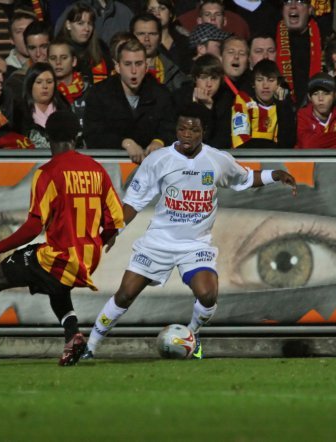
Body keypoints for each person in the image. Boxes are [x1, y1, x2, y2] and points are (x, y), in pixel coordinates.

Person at [80, 103, 296, 361]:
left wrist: (276, 175)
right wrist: (115, 228)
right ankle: (90, 346)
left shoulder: (217, 160)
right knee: (125, 294)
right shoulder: (159, 160)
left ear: (203, 130)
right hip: (158, 241)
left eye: (193, 129)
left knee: (207, 295)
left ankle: (191, 336)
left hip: (195, 245)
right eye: (181, 128)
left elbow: (245, 179)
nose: (186, 134)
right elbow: (134, 201)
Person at [0, 110, 124, 368]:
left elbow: (34, 226)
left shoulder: (48, 173)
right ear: (76, 137)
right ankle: (73, 335)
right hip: (88, 257)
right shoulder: (96, 170)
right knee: (55, 281)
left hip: (60, 255)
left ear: (48, 136)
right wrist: (101, 240)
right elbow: (115, 219)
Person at [83, 39, 176, 163]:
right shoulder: (99, 94)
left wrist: (159, 141)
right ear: (117, 66)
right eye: (127, 64)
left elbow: (170, 129)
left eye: (138, 64)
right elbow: (93, 135)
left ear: (146, 66)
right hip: (110, 167)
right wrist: (125, 143)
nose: (133, 71)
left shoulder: (161, 94)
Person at [231, 59, 296, 149]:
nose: (265, 86)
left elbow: (287, 143)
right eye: (260, 80)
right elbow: (241, 141)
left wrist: (282, 105)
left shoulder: (284, 105)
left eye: (271, 80)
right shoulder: (243, 100)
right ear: (253, 83)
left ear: (278, 84)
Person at [276, 0, 322, 108]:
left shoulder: (323, 37)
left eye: (300, 2)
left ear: (310, 9)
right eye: (287, 1)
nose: (293, 6)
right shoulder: (271, 37)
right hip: (282, 108)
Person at [56, 2, 113, 85]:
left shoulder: (101, 48)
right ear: (68, 25)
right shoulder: (57, 49)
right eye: (80, 23)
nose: (86, 29)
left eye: (89, 24)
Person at [296, 72, 336, 148]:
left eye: (326, 93)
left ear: (335, 95)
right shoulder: (302, 116)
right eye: (315, 94)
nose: (320, 98)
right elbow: (307, 144)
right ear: (309, 97)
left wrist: (322, 146)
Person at [131, 12, 188, 93]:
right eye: (141, 34)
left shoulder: (174, 72)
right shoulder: (119, 70)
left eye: (152, 34)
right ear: (131, 37)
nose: (146, 39)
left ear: (160, 38)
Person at [20, 62, 70, 149]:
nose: (45, 86)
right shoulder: (20, 114)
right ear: (30, 85)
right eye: (39, 82)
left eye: (49, 82)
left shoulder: (65, 110)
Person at [48, 39, 90, 130]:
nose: (58, 62)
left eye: (63, 57)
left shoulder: (91, 92)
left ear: (74, 61)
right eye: (53, 58)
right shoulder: (45, 93)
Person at [145, 0, 193, 74]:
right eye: (152, 10)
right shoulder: (143, 43)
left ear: (170, 13)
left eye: (162, 8)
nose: (157, 13)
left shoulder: (184, 42)